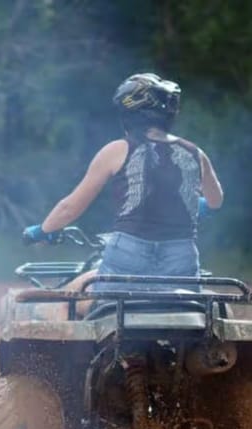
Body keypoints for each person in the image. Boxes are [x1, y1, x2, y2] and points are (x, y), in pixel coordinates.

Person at [24, 72, 223, 302]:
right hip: (181, 257)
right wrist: (201, 204)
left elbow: (69, 208)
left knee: (72, 299)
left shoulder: (118, 149)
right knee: (186, 307)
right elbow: (216, 200)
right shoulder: (195, 153)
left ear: (129, 113)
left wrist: (43, 231)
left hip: (129, 255)